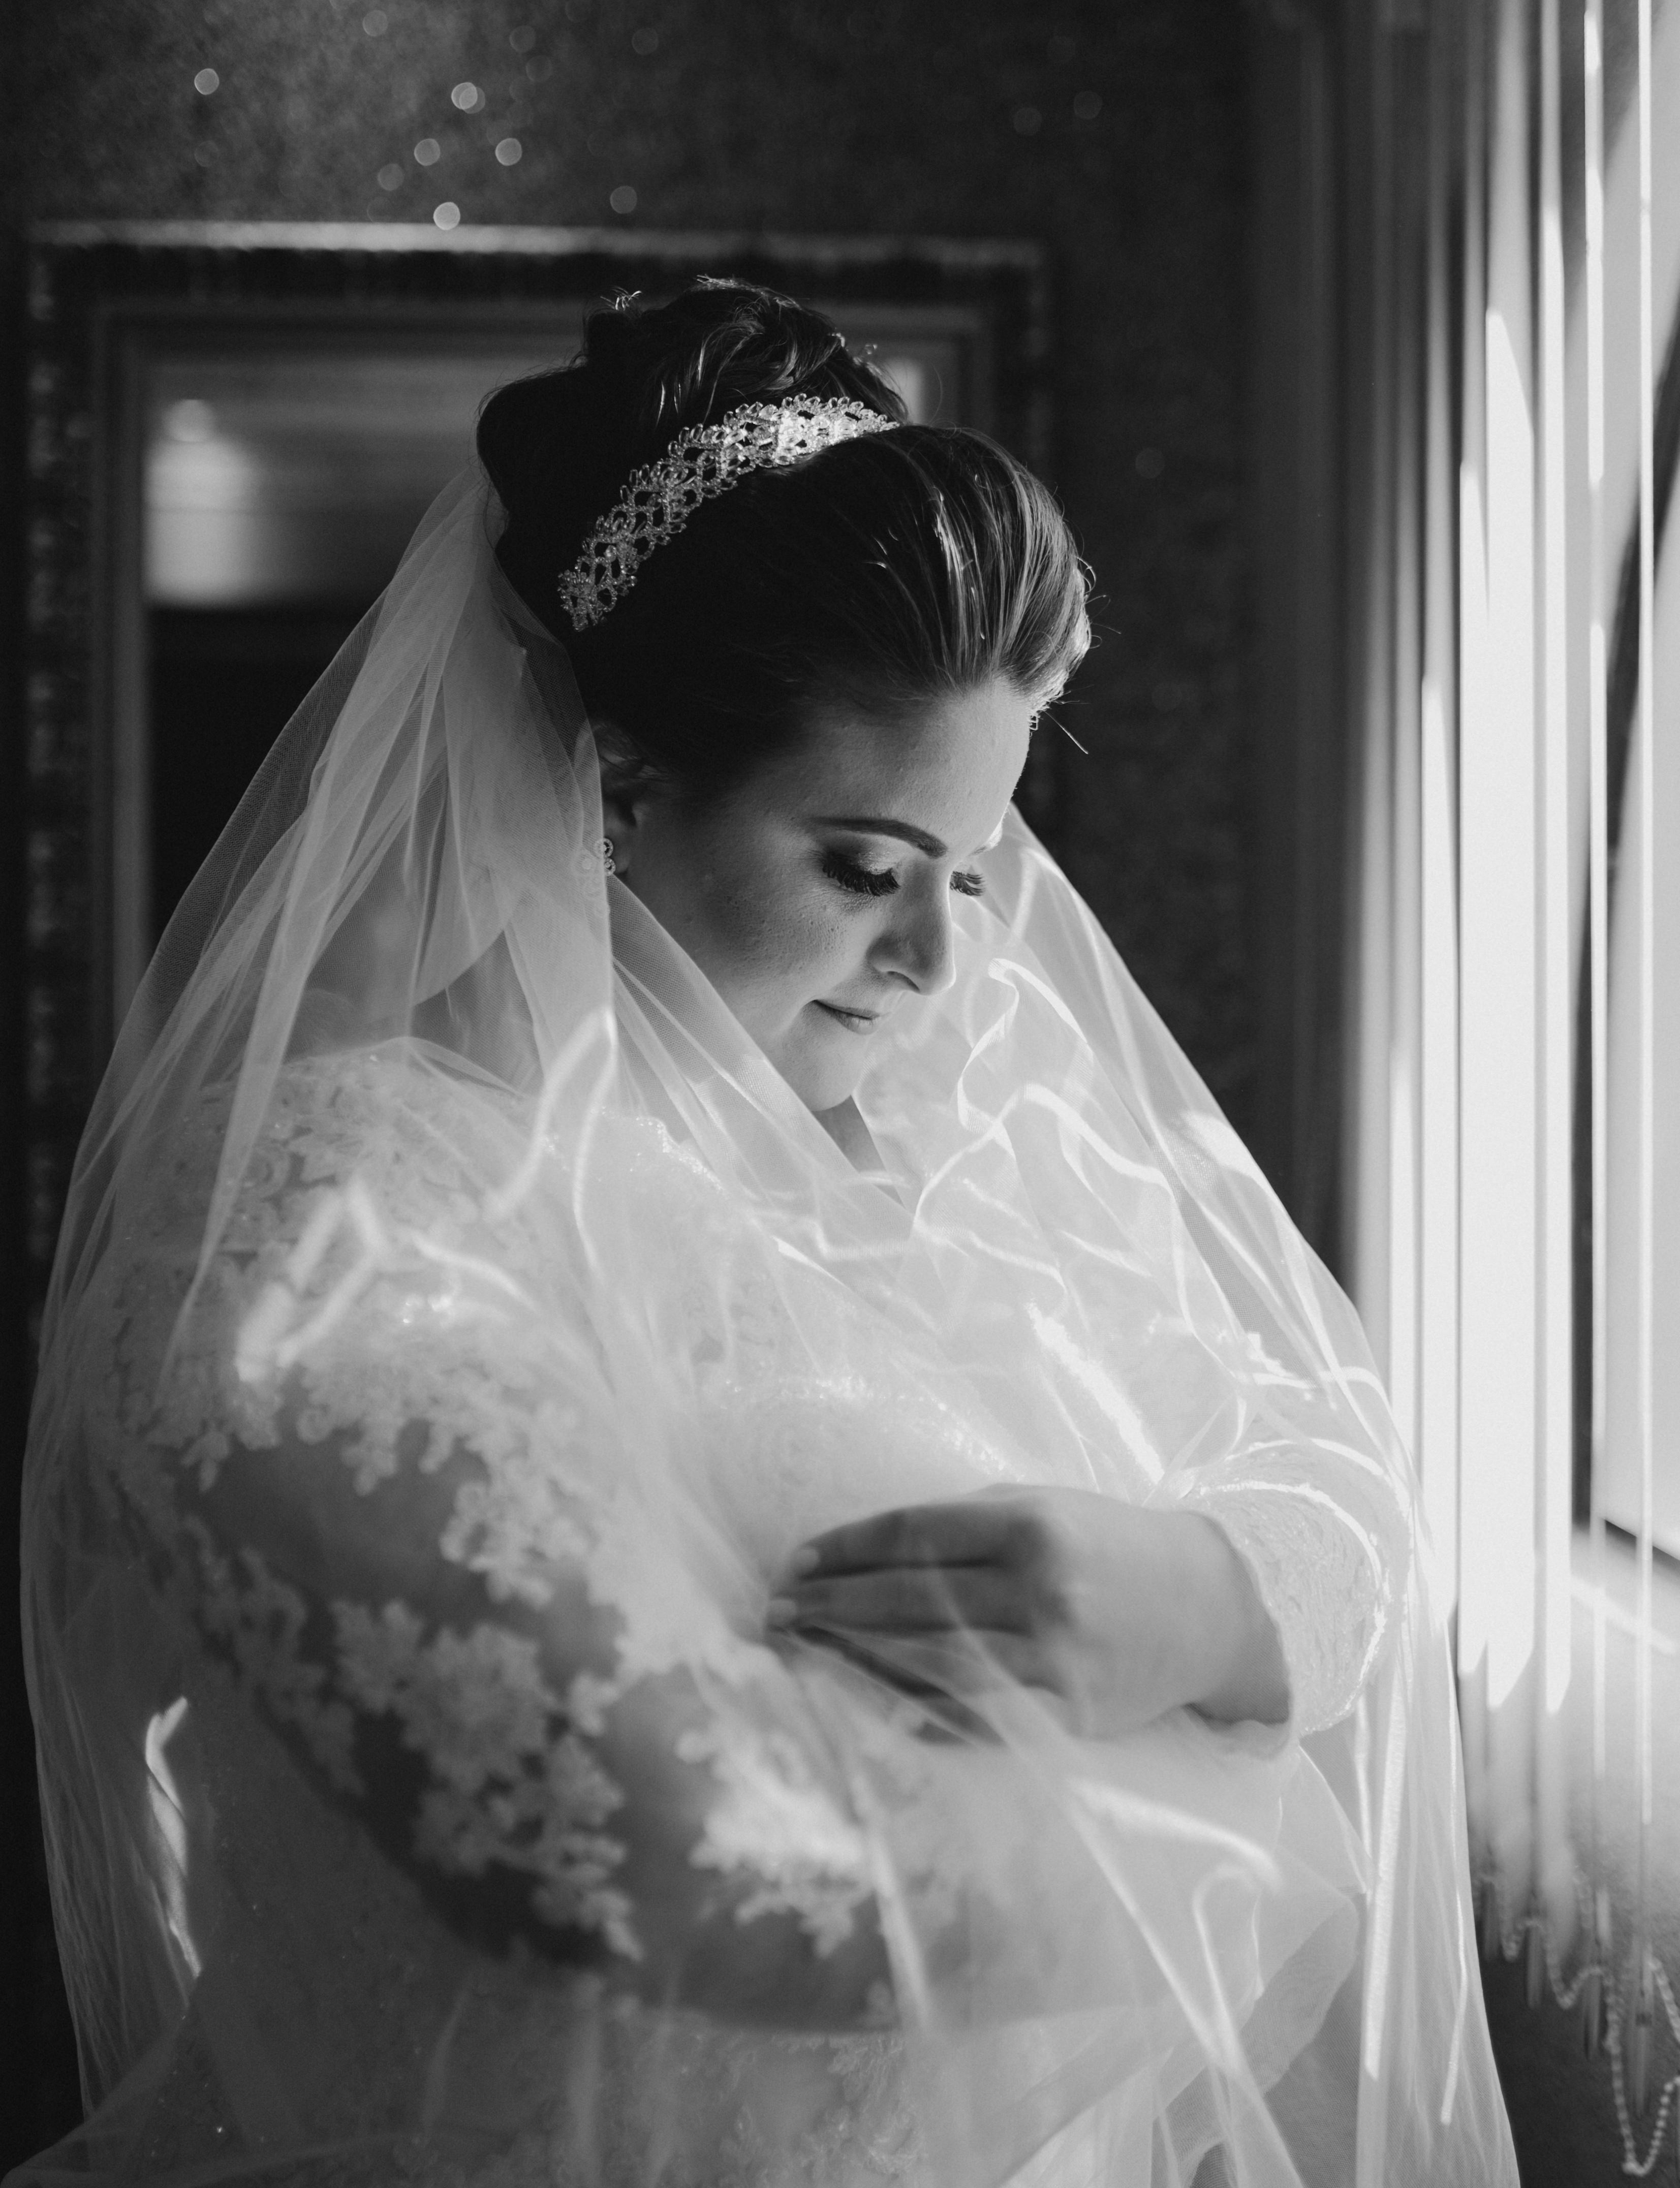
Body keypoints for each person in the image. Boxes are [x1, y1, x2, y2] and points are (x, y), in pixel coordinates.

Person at [14, 281, 1516, 2187]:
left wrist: (1214, 1601)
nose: (939, 959)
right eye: (865, 867)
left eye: (975, 872)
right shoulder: (323, 1227)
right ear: (613, 791)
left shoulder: (950, 1131)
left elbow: (1329, 1445)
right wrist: (1237, 1778)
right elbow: (669, 1862)